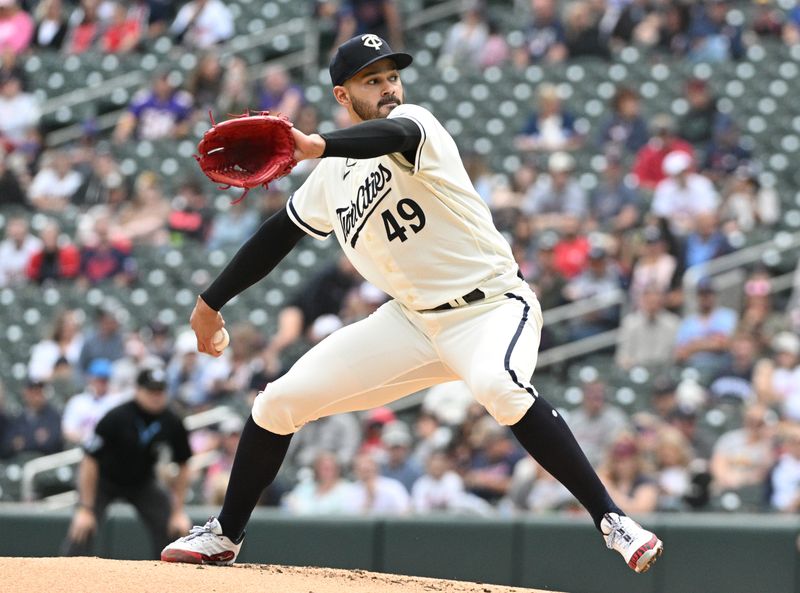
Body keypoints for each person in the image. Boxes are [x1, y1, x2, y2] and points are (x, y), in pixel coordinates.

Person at [161, 34, 663, 573]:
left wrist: (320, 145)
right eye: (371, 81)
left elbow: (393, 131)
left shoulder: (415, 125)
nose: (388, 88)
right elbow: (277, 234)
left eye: (391, 77)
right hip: (411, 322)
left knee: (499, 386)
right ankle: (225, 534)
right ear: (342, 94)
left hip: (491, 307)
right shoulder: (330, 179)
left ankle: (614, 521)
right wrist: (210, 302)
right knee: (277, 403)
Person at [62, 368, 192, 559]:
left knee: (173, 528)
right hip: (104, 480)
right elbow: (90, 461)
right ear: (138, 390)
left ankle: (171, 581)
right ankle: (66, 576)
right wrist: (85, 508)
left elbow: (184, 464)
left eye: (160, 391)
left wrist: (178, 511)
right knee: (83, 527)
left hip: (142, 482)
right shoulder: (117, 416)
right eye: (151, 391)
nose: (156, 397)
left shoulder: (171, 420)